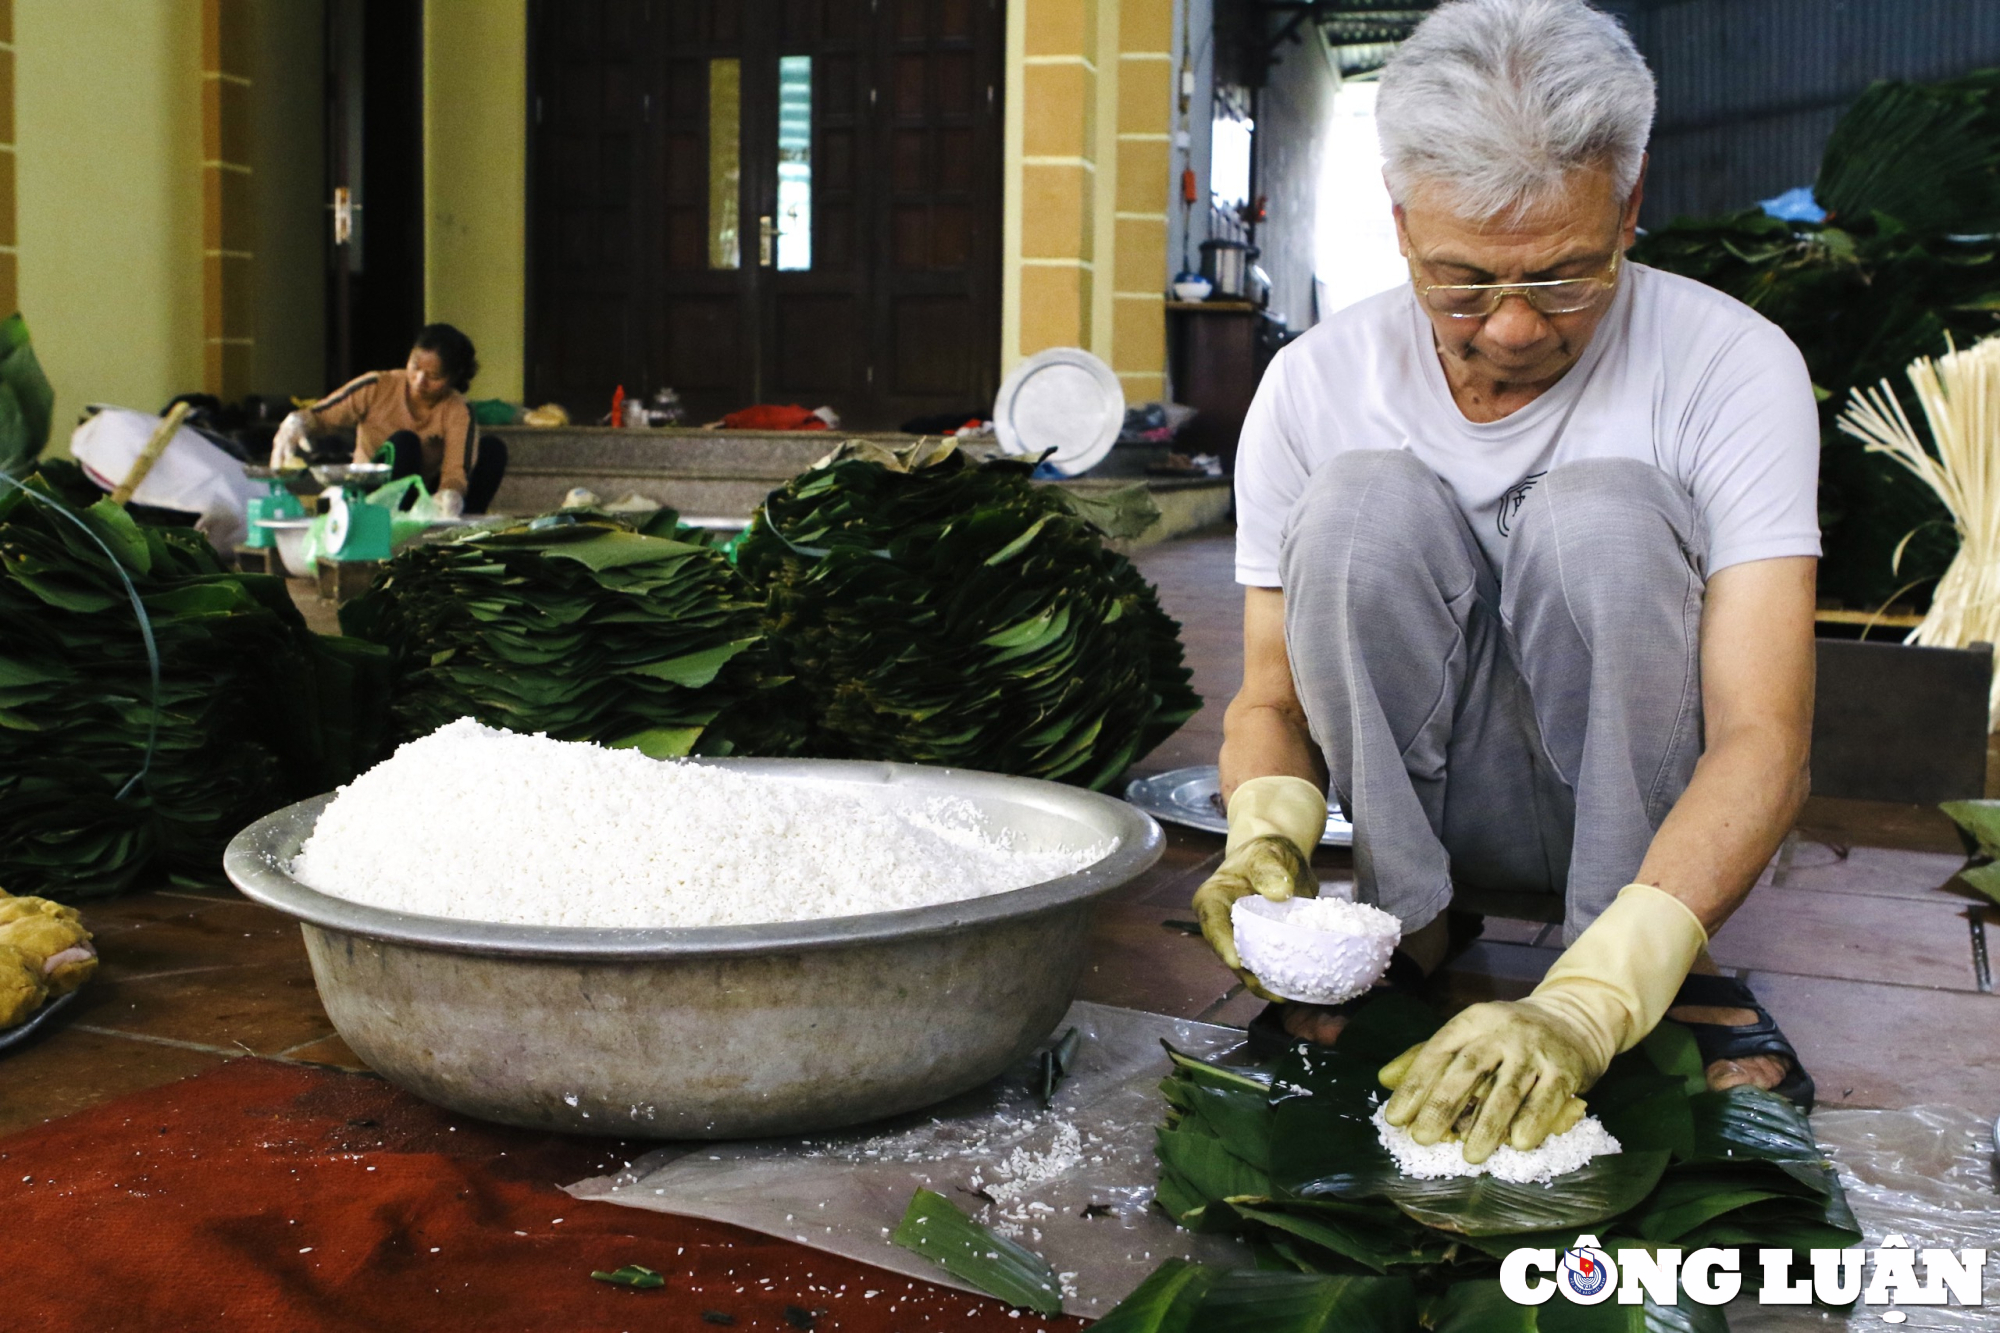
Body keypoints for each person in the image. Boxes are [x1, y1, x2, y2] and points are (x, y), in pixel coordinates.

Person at [1194, 0, 1820, 1166]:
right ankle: (1414, 932)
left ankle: (1606, 958)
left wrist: (1591, 1000)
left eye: (1570, 277)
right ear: (1398, 226)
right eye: (1463, 283)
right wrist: (1263, 839)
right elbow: (1270, 702)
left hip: (1645, 835)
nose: (1517, 327)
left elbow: (1762, 738)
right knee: (1358, 504)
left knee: (1604, 513)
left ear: (1629, 208)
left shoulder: (1730, 365)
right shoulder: (1314, 385)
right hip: (1429, 819)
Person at [270, 324, 507, 516]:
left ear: (454, 377)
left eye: (433, 376)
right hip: (372, 491)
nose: (419, 381)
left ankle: (460, 533)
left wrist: (450, 495)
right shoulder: (377, 386)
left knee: (493, 449)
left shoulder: (458, 409)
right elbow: (321, 416)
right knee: (405, 443)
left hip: (424, 495)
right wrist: (296, 424)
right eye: (415, 367)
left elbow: (456, 471)